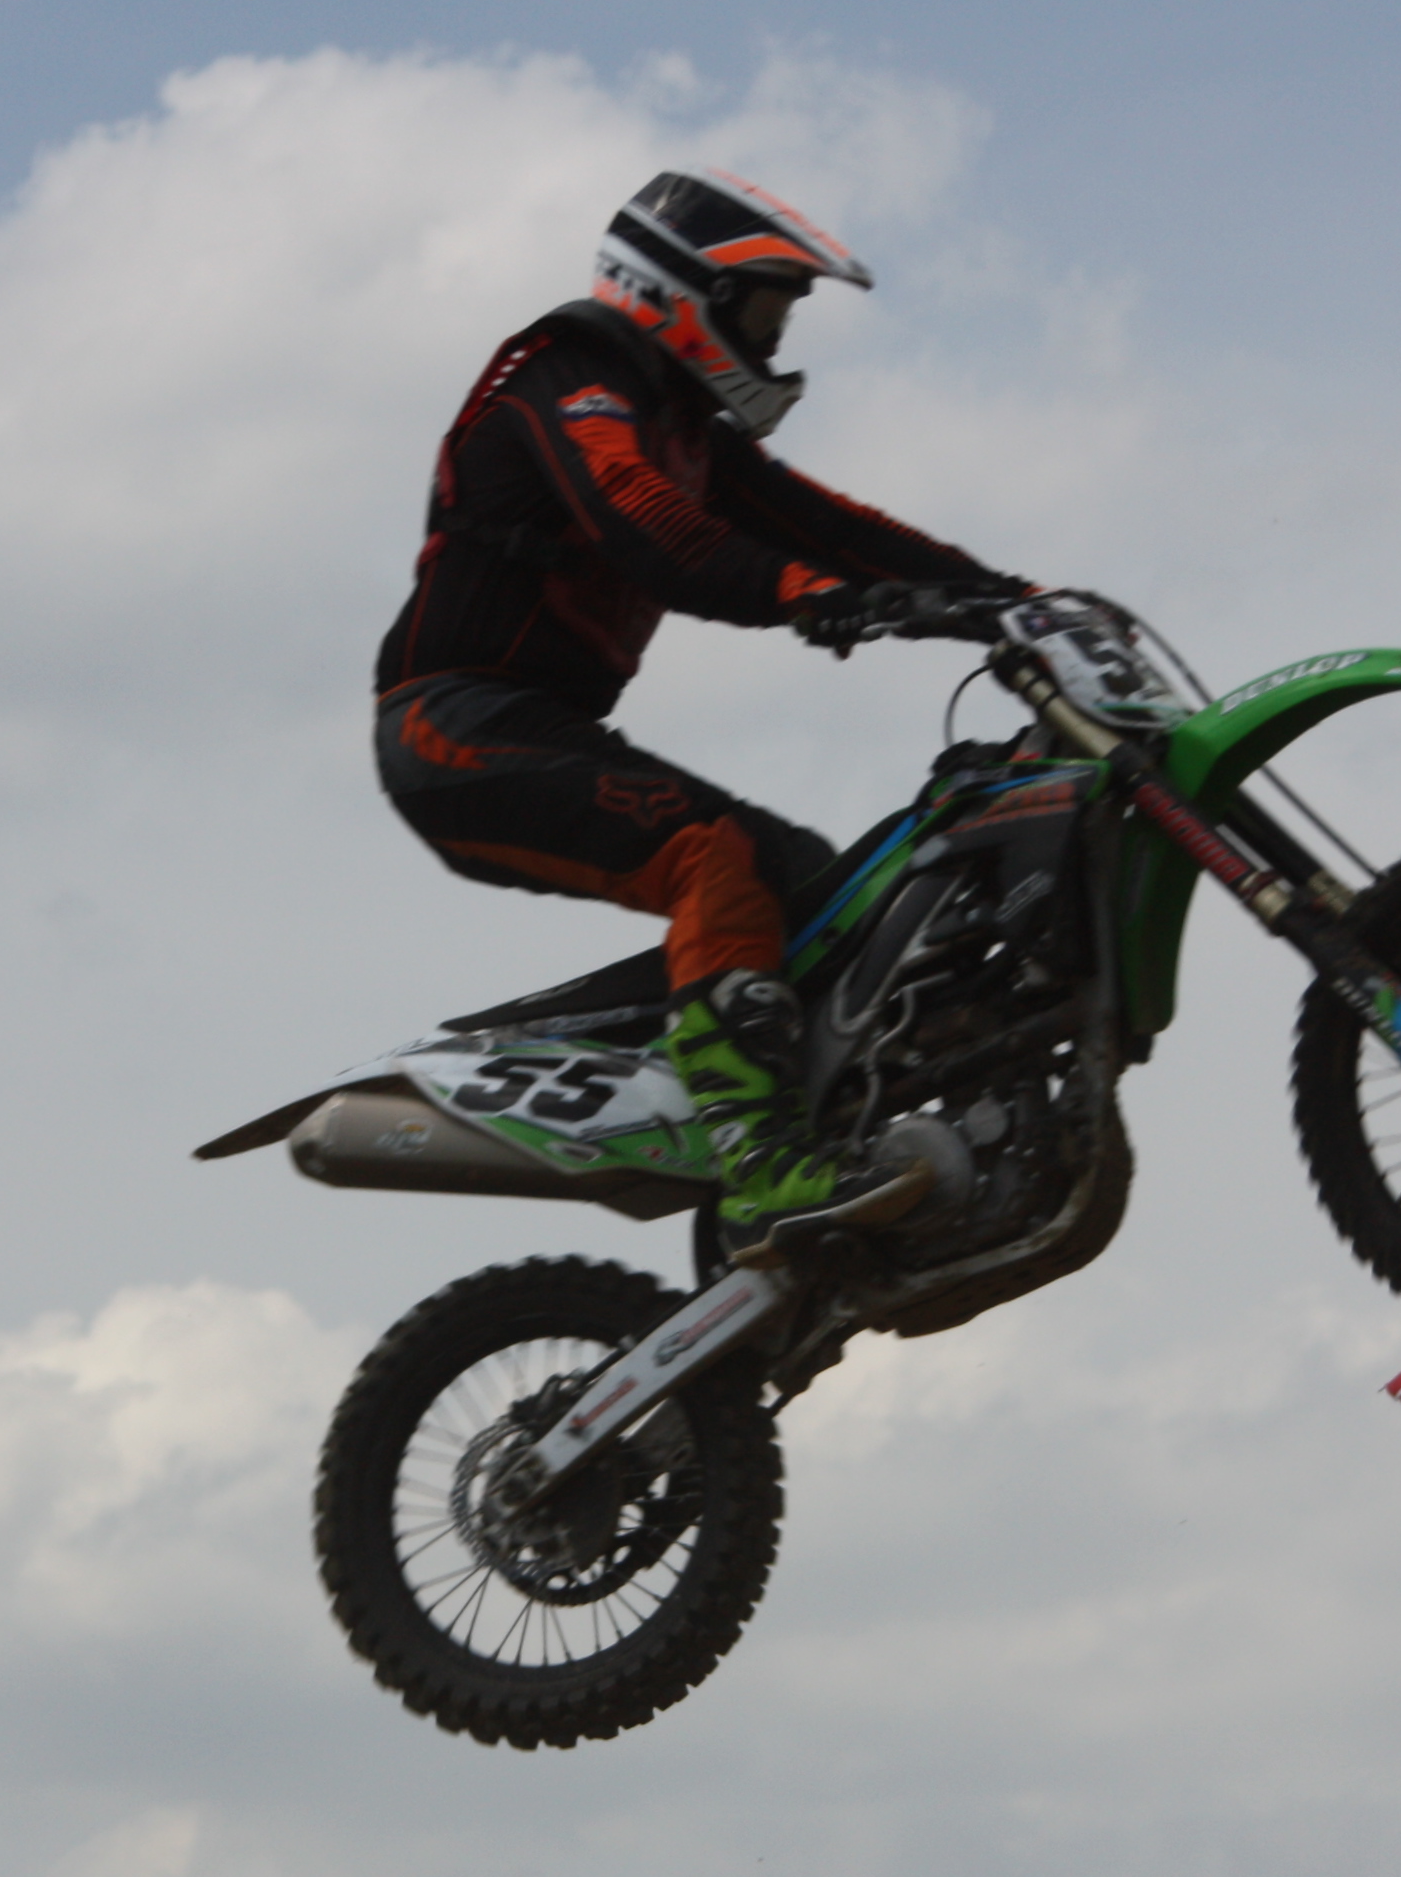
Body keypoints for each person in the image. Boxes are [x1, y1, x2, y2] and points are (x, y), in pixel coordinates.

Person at [371, 168, 1031, 1258]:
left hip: (547, 730)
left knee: (815, 885)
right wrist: (803, 593)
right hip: (452, 727)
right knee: (711, 857)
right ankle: (759, 1158)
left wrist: (1008, 599)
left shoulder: (685, 429)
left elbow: (833, 526)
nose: (775, 337)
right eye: (765, 309)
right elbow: (645, 525)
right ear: (685, 296)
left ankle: (829, 1142)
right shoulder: (563, 374)